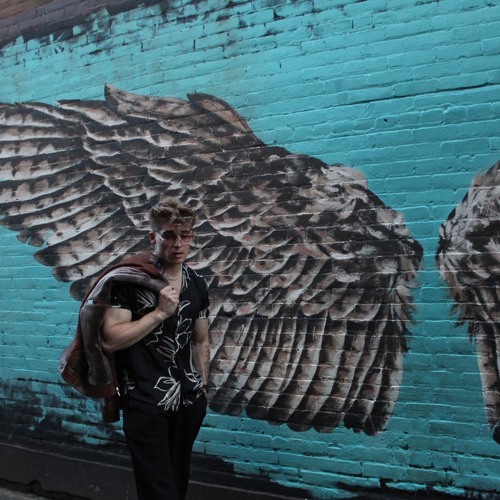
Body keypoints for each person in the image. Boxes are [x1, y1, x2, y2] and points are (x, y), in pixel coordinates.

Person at [101, 198, 211, 500]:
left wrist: (203, 385)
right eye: (169, 235)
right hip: (145, 400)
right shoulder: (130, 280)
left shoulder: (197, 283)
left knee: (176, 483)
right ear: (153, 237)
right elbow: (110, 339)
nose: (178, 243)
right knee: (159, 491)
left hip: (188, 400)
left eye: (185, 235)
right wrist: (159, 313)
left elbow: (200, 339)